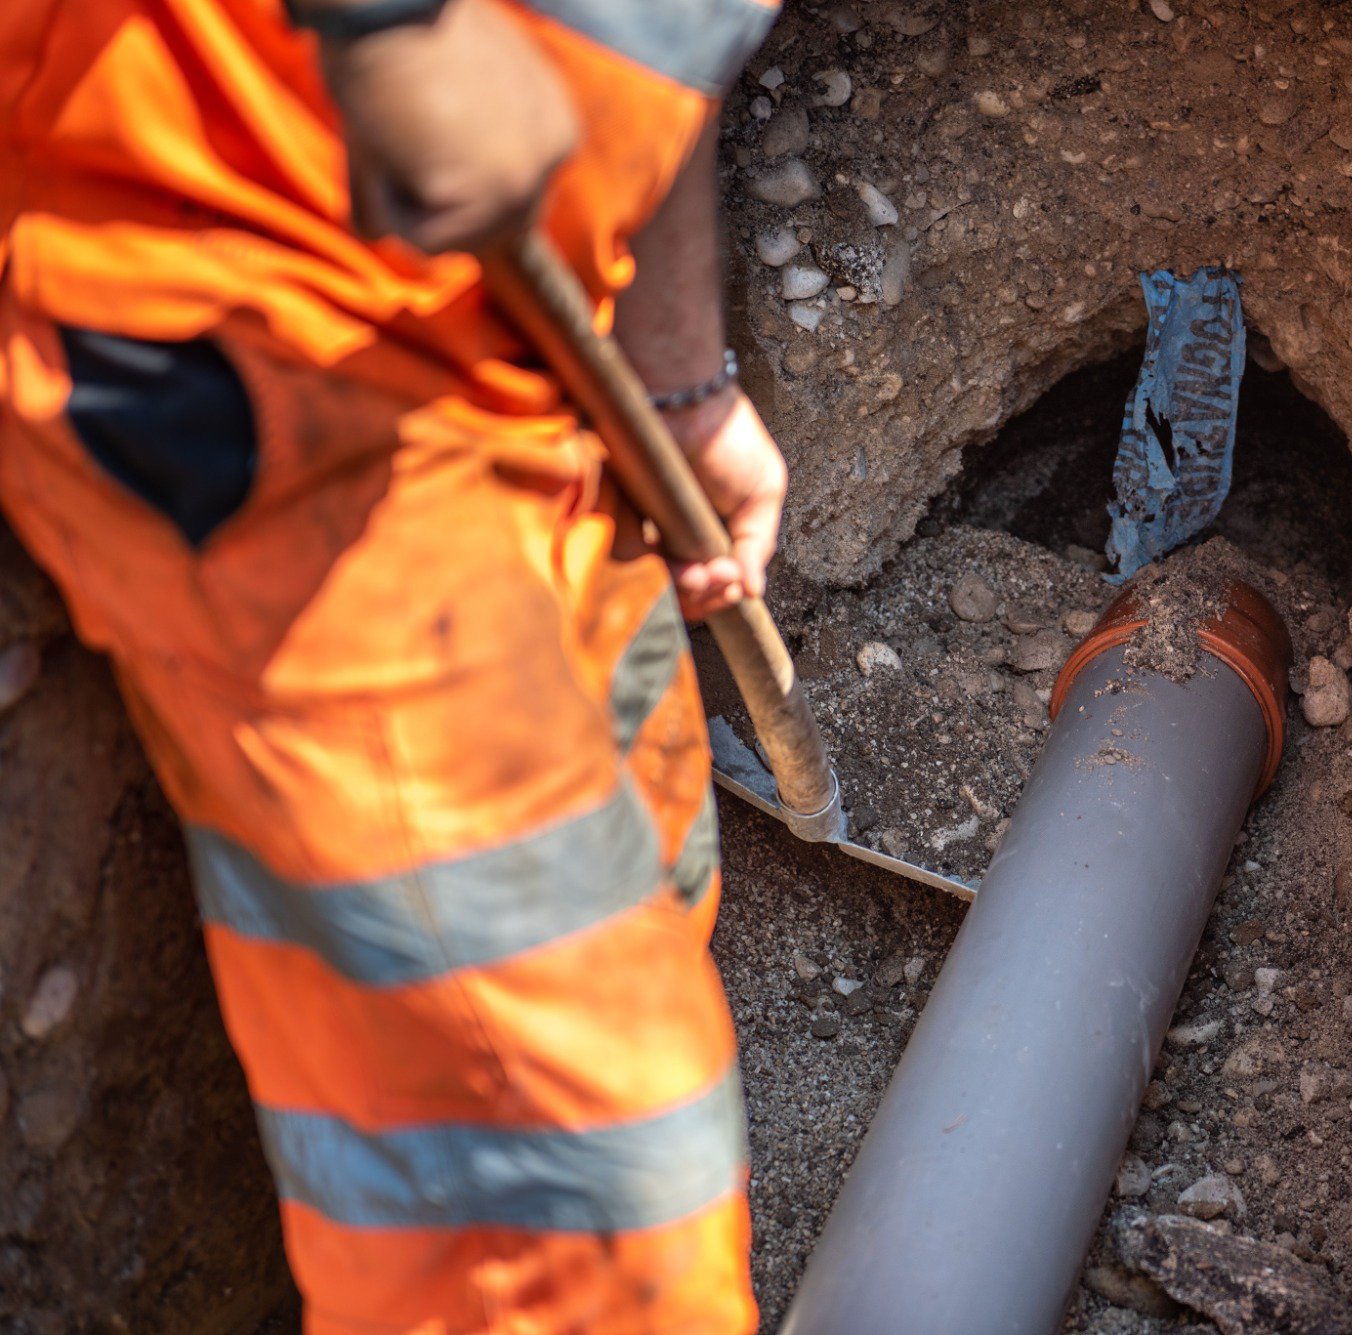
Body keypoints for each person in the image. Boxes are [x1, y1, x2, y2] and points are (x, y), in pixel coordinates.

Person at [0, 0, 791, 1329]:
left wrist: (676, 377)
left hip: (523, 302)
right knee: (559, 1197)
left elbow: (663, 41)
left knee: (643, 856)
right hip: (249, 320)